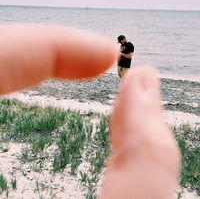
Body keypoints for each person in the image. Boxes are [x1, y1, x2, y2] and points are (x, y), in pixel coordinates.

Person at [0, 24, 180, 199]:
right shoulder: (122, 45)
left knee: (126, 78)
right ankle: (126, 90)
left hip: (127, 64)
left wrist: (120, 54)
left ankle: (128, 92)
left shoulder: (129, 45)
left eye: (121, 42)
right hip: (120, 64)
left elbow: (129, 54)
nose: (121, 44)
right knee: (121, 76)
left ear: (124, 40)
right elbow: (120, 54)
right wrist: (118, 54)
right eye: (119, 43)